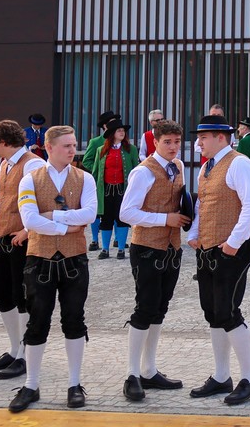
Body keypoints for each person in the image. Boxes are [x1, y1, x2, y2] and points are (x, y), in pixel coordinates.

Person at [10, 125, 98, 412]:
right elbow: (30, 220)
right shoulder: (29, 179)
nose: (73, 150)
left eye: (74, 145)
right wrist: (66, 226)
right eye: (66, 146)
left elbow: (90, 213)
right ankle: (31, 384)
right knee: (38, 322)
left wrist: (54, 215)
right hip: (40, 259)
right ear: (49, 147)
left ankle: (74, 384)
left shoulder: (85, 178)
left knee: (74, 320)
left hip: (75, 259)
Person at [186, 114, 250, 405]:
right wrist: (194, 232)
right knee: (212, 312)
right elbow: (202, 203)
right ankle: (221, 377)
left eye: (203, 138)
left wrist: (233, 242)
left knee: (229, 311)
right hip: (207, 248)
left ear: (220, 137)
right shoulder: (207, 167)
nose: (198, 143)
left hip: (233, 249)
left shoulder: (239, 163)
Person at [119, 119, 191, 402]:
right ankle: (132, 373)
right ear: (155, 142)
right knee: (144, 308)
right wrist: (165, 219)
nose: (173, 147)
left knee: (160, 307)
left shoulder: (180, 166)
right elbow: (127, 212)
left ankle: (149, 369)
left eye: (176, 142)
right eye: (167, 142)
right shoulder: (142, 172)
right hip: (146, 247)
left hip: (172, 247)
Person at [0, 119, 46, 380]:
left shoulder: (33, 163)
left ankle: (23, 353)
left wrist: (27, 230)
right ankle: (13, 348)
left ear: (5, 141)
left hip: (24, 240)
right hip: (3, 236)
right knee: (2, 295)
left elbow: (44, 202)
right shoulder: (6, 163)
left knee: (22, 297)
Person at [85, 118, 139, 259]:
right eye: (119, 130)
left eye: (123, 130)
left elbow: (135, 171)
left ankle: (121, 249)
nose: (122, 132)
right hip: (106, 190)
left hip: (123, 190)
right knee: (106, 219)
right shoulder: (100, 150)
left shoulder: (131, 149)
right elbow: (96, 171)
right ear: (112, 133)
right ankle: (105, 249)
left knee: (121, 218)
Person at [83, 109, 118, 252]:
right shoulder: (96, 141)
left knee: (116, 209)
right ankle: (94, 240)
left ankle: (117, 239)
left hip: (116, 184)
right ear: (105, 126)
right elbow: (87, 161)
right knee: (98, 211)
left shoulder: (120, 142)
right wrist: (98, 172)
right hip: (100, 183)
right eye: (111, 123)